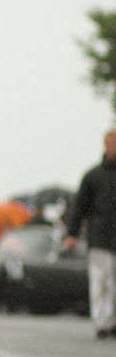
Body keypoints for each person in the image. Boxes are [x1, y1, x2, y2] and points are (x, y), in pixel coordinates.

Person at [65, 130, 116, 339]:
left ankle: (112, 320)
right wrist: (72, 233)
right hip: (99, 237)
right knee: (100, 280)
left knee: (114, 282)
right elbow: (79, 207)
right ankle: (101, 321)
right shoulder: (92, 175)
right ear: (105, 145)